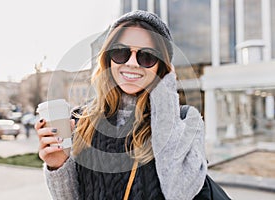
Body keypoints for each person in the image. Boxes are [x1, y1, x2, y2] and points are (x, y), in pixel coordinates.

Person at [35, 10, 207, 200]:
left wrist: (166, 91)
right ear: (108, 59)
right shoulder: (80, 120)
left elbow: (179, 192)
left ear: (161, 65)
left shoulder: (186, 121)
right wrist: (58, 165)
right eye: (120, 52)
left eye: (147, 56)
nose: (132, 63)